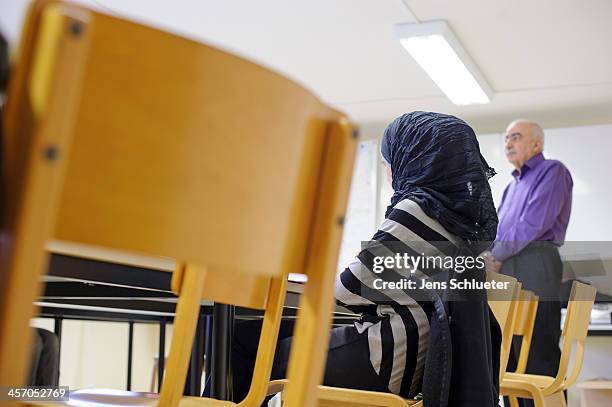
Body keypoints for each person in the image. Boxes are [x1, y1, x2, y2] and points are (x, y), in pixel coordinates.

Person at [219, 112, 501, 407]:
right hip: (413, 362)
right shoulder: (458, 222)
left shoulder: (417, 210)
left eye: (387, 161)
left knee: (252, 349)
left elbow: (344, 291)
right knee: (252, 336)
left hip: (385, 359)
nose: (388, 170)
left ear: (416, 155)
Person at [483, 119, 573, 406]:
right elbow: (497, 229)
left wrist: (495, 256)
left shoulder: (552, 171)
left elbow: (533, 224)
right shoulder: (511, 186)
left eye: (516, 137)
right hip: (508, 267)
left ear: (537, 143)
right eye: (507, 138)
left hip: (536, 263)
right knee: (509, 355)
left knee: (537, 351)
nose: (508, 143)